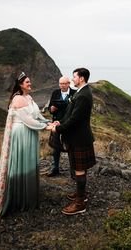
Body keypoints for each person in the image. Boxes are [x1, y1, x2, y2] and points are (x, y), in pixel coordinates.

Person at [0, 72, 50, 223]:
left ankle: (28, 195)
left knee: (29, 163)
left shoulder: (29, 97)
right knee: (22, 163)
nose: (30, 83)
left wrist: (48, 122)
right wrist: (45, 128)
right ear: (20, 84)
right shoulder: (18, 98)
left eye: (29, 81)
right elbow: (28, 120)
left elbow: (37, 115)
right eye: (27, 82)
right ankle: (19, 198)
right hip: (22, 132)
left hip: (30, 132)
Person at [46, 68, 96, 216]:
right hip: (77, 137)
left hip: (79, 138)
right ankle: (81, 194)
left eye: (74, 77)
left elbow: (75, 120)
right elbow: (69, 114)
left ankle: (80, 203)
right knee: (78, 168)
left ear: (81, 78)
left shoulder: (83, 95)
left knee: (79, 169)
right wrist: (58, 122)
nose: (72, 80)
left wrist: (58, 129)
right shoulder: (80, 92)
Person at [47, 76, 76, 177]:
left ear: (69, 83)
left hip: (69, 124)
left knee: (70, 147)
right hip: (56, 123)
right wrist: (52, 109)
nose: (62, 86)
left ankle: (73, 171)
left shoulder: (74, 93)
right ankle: (55, 168)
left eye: (64, 83)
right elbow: (49, 108)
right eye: (61, 84)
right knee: (56, 148)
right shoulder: (55, 93)